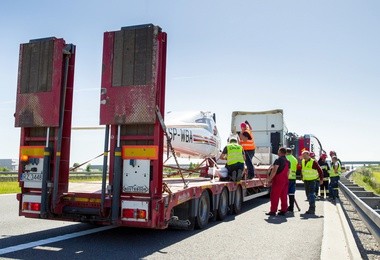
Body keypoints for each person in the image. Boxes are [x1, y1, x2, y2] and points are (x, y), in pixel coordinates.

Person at [266, 147, 290, 216]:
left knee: (274, 196)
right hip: (285, 180)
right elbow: (288, 172)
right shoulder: (288, 161)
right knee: (284, 196)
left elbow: (274, 170)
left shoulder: (278, 160)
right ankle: (283, 210)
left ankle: (273, 211)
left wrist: (269, 179)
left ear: (280, 152)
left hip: (278, 180)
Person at [300, 150, 323, 214]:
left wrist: (321, 179)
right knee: (308, 195)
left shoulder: (313, 162)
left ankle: (312, 209)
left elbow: (320, 170)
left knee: (311, 194)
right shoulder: (303, 161)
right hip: (306, 180)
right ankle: (311, 207)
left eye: (304, 155)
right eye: (303, 155)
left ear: (308, 155)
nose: (303, 156)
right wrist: (302, 176)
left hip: (312, 180)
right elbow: (302, 169)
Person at [286, 147, 298, 212]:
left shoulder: (286, 158)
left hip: (287, 177)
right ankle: (291, 208)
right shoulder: (295, 159)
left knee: (284, 193)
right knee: (291, 193)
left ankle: (284, 207)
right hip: (293, 177)